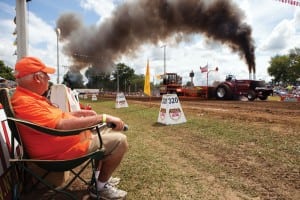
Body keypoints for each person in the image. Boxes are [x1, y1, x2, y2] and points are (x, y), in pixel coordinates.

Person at [11, 56, 128, 199]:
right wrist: (102, 117)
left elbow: (55, 119)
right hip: (59, 155)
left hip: (63, 146)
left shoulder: (29, 98)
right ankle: (100, 188)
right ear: (37, 78)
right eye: (46, 75)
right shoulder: (26, 102)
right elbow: (60, 126)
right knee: (120, 141)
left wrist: (78, 114)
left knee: (105, 129)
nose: (49, 78)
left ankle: (98, 180)